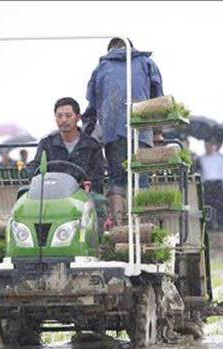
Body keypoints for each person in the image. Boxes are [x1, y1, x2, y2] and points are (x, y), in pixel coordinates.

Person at [83, 37, 163, 220]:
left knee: (116, 178)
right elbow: (158, 100)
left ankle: (118, 227)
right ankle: (141, 227)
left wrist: (86, 133)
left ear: (110, 50)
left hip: (112, 132)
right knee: (140, 178)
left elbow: (92, 105)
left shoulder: (101, 68)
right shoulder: (146, 63)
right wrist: (158, 132)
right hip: (141, 129)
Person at [26, 97, 106, 195]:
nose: (64, 120)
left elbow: (97, 177)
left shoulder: (93, 146)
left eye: (68, 116)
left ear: (78, 117)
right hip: (53, 195)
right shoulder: (46, 144)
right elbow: (35, 166)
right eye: (59, 116)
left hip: (83, 197)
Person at [197, 141, 223, 232]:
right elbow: (200, 172)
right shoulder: (201, 158)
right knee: (208, 206)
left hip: (218, 183)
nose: (207, 148)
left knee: (220, 206)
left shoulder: (219, 157)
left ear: (212, 146)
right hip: (207, 184)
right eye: (206, 146)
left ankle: (221, 225)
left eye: (209, 145)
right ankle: (209, 226)